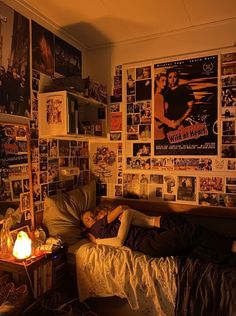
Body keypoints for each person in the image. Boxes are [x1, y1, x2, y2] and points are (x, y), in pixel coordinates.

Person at [81, 206, 236, 264]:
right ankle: (231, 245)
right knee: (191, 231)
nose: (94, 217)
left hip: (151, 235)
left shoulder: (108, 226)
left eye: (95, 214)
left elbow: (144, 221)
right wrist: (97, 242)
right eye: (88, 219)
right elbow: (119, 241)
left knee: (191, 242)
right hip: (148, 244)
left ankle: (227, 256)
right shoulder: (97, 228)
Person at [164, 68, 195, 132]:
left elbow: (190, 107)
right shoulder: (165, 91)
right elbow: (165, 109)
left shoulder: (185, 89)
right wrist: (169, 122)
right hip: (170, 124)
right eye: (170, 77)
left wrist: (179, 121)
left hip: (184, 122)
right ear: (167, 78)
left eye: (175, 77)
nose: (172, 80)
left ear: (178, 78)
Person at [154, 72, 177, 140]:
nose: (164, 83)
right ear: (157, 82)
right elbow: (159, 116)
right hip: (158, 133)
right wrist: (171, 123)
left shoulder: (159, 96)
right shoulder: (159, 96)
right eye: (162, 81)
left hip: (160, 132)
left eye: (166, 81)